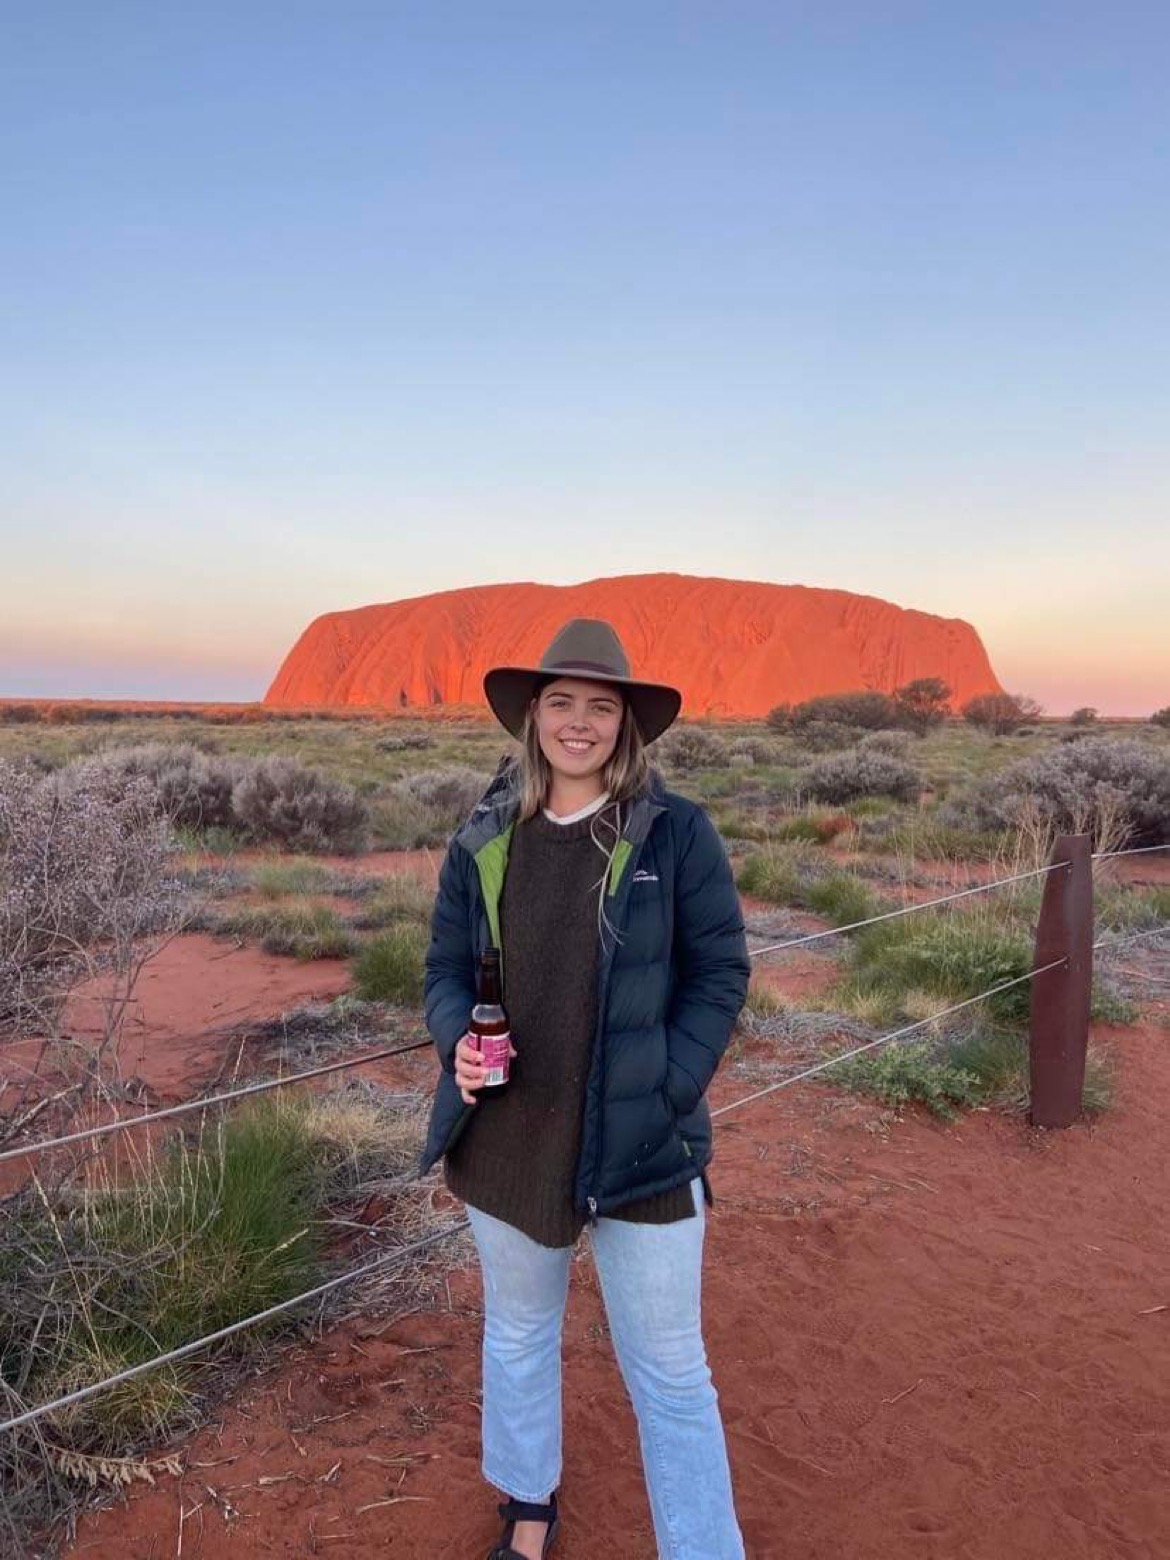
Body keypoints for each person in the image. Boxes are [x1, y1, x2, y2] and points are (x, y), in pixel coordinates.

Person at [419, 618, 750, 1560]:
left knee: (672, 1371)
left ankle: (703, 1548)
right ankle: (528, 1514)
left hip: (645, 1145)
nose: (579, 723)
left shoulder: (674, 831)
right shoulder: (485, 834)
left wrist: (671, 1084)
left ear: (625, 723)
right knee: (519, 1335)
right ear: (533, 718)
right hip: (512, 1136)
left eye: (600, 706)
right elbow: (445, 970)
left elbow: (721, 971)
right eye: (560, 703)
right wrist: (457, 1046)